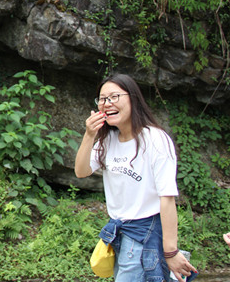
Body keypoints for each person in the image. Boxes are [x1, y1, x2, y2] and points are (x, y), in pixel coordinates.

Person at [75, 74, 198, 282]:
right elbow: (81, 171)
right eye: (102, 99)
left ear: (133, 98)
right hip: (120, 234)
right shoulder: (108, 140)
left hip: (144, 235)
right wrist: (89, 135)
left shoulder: (155, 139)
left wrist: (170, 251)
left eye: (114, 97)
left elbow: (167, 197)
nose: (107, 103)